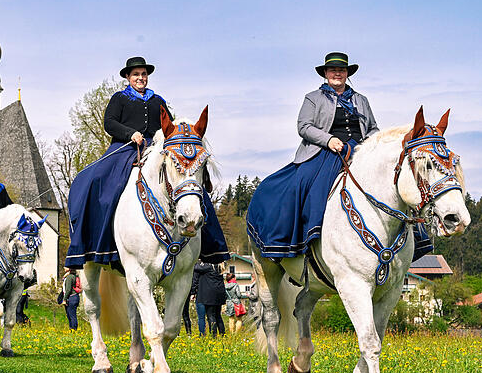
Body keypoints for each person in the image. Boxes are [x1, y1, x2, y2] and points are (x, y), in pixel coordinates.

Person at [65, 56, 229, 270]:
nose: (140, 78)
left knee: (192, 187)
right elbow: (109, 123)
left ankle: (211, 246)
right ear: (127, 77)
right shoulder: (119, 98)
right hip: (125, 148)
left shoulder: (157, 100)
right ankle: (100, 244)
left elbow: (168, 127)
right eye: (136, 75)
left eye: (143, 74)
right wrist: (129, 133)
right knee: (102, 182)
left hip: (156, 149)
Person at [247, 52, 381, 260]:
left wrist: (373, 144)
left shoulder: (361, 100)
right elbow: (304, 126)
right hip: (326, 151)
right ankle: (299, 238)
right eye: (333, 70)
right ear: (326, 73)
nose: (337, 73)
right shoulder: (313, 98)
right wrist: (328, 140)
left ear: (347, 73)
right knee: (300, 184)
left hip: (360, 150)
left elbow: (372, 128)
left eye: (341, 70)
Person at [194, 261, 226, 337]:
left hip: (210, 295)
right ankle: (222, 334)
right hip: (219, 294)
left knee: (211, 315)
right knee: (218, 315)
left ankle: (214, 335)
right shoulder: (220, 267)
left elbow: (196, 267)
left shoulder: (209, 267)